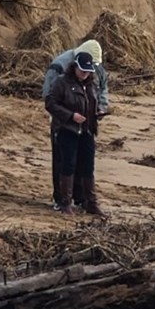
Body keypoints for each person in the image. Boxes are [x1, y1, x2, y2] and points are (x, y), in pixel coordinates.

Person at [42, 38, 110, 211]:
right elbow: (49, 99)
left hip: (87, 127)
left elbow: (102, 89)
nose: (88, 73)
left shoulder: (92, 74)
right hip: (64, 126)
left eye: (91, 69)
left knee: (86, 164)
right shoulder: (59, 69)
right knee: (65, 162)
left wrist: (100, 108)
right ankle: (62, 200)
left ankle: (84, 200)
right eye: (84, 70)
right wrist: (69, 116)